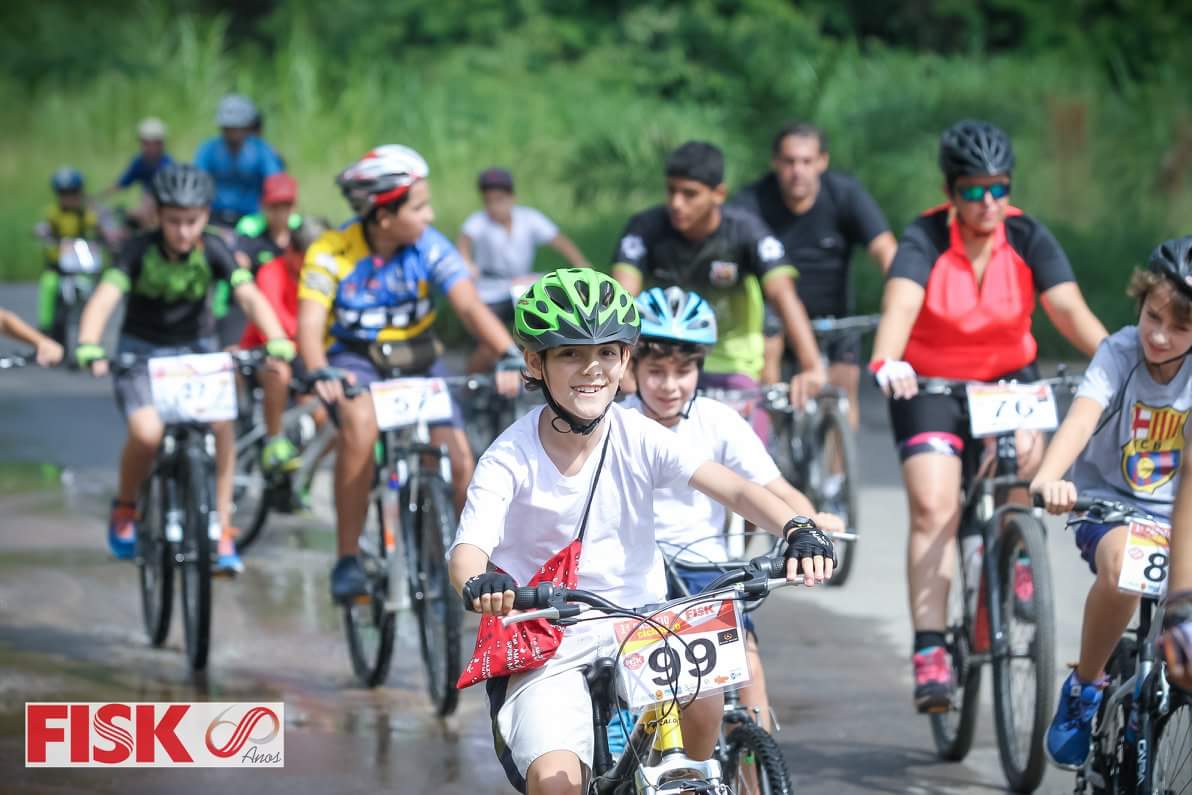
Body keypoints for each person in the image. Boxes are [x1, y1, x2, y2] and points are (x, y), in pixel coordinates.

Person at [447, 268, 837, 795]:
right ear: (535, 363)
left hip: (643, 626)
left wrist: (797, 528)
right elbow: (468, 550)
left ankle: (690, 782)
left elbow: (736, 490)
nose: (592, 369)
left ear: (625, 360)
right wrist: (481, 585)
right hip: (551, 638)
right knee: (556, 784)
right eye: (570, 354)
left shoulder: (639, 434)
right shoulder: (508, 458)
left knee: (710, 685)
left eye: (608, 353)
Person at [869, 119, 1108, 712]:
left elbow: (1069, 311)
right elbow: (900, 304)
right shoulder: (924, 237)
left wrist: (1118, 362)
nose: (989, 202)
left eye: (999, 188)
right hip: (931, 382)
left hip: (1006, 379)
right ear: (952, 192)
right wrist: (886, 359)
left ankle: (1014, 553)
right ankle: (930, 649)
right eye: (974, 190)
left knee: (1029, 465)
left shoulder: (1026, 234)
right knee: (934, 505)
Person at [297, 144, 523, 605]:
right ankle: (347, 558)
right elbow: (309, 324)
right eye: (419, 206)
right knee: (359, 425)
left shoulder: (428, 244)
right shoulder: (331, 251)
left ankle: (472, 568)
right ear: (383, 216)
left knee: (460, 459)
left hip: (419, 361)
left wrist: (511, 354)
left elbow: (467, 304)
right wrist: (318, 369)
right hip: (357, 362)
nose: (430, 214)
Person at [624, 284, 838, 737]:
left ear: (701, 368)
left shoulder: (718, 420)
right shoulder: (616, 421)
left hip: (706, 572)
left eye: (683, 371)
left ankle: (756, 771)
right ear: (632, 367)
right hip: (634, 575)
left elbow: (774, 488)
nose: (669, 385)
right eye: (656, 370)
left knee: (749, 667)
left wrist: (809, 523)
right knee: (640, 702)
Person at [74, 163, 294, 574]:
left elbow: (247, 295)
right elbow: (105, 298)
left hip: (196, 352)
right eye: (173, 221)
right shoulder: (137, 250)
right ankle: (125, 507)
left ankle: (223, 528)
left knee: (222, 423)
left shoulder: (214, 249)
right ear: (158, 216)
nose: (183, 232)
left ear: (206, 216)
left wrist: (276, 337)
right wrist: (88, 343)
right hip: (140, 354)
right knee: (147, 432)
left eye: (192, 221)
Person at [1031, 236, 1192, 768]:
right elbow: (1081, 417)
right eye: (1153, 316)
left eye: (1181, 327)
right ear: (1140, 302)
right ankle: (1084, 687)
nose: (1160, 336)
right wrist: (1051, 476)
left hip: (1181, 517)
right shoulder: (1120, 352)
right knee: (1124, 568)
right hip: (1111, 505)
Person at [612, 141, 826, 436]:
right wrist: (619, 359)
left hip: (732, 362)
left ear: (719, 194)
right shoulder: (645, 227)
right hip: (660, 359)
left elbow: (783, 295)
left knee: (751, 461)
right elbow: (621, 297)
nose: (676, 203)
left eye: (690, 194)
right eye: (671, 190)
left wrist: (812, 365)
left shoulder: (746, 231)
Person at [732, 122, 897, 425]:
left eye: (807, 161)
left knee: (844, 388)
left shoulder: (845, 194)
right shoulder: (751, 202)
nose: (798, 171)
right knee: (769, 377)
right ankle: (771, 442)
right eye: (789, 161)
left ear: (822, 161)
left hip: (833, 317)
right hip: (773, 319)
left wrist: (901, 298)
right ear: (775, 162)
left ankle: (840, 473)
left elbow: (885, 249)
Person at [240, 217, 327, 477]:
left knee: (326, 417)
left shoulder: (321, 276)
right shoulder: (272, 272)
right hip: (269, 350)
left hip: (304, 353)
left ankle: (305, 476)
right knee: (279, 372)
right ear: (292, 252)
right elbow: (275, 319)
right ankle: (274, 440)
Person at [194, 94, 283, 228]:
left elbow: (276, 181)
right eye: (228, 128)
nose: (233, 133)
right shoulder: (208, 150)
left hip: (252, 220)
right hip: (214, 217)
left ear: (247, 127)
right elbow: (196, 181)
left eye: (237, 128)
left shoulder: (261, 150)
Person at [35, 167, 101, 340]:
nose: (69, 198)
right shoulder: (53, 213)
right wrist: (44, 234)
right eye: (64, 194)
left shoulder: (87, 212)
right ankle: (45, 327)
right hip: (59, 264)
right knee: (48, 283)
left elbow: (101, 227)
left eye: (73, 193)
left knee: (98, 288)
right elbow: (44, 228)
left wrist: (105, 236)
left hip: (82, 264)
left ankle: (93, 325)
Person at [99, 117, 174, 229]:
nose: (149, 147)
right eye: (145, 143)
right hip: (146, 205)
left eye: (154, 143)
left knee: (147, 201)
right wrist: (99, 197)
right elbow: (121, 183)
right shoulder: (139, 163)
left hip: (164, 204)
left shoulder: (167, 165)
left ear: (161, 144)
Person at [234, 173, 302, 271]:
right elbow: (240, 261)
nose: (280, 213)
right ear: (263, 206)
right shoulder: (252, 234)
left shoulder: (302, 232)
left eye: (286, 206)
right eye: (274, 206)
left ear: (294, 206)